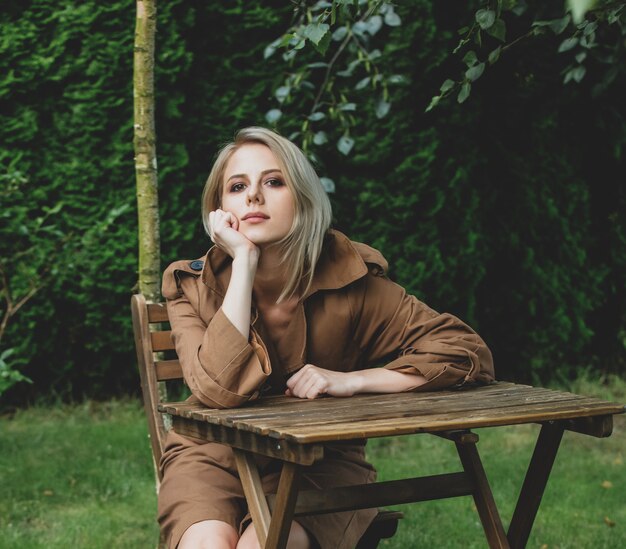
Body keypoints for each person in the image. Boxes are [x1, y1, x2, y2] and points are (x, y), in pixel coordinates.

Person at [158, 127, 495, 549]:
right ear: (219, 210)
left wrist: (353, 380)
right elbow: (218, 390)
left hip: (321, 460)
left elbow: (464, 351)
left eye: (274, 182)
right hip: (213, 454)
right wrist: (243, 259)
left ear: (302, 197)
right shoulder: (191, 285)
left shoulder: (348, 277)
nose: (253, 198)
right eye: (237, 186)